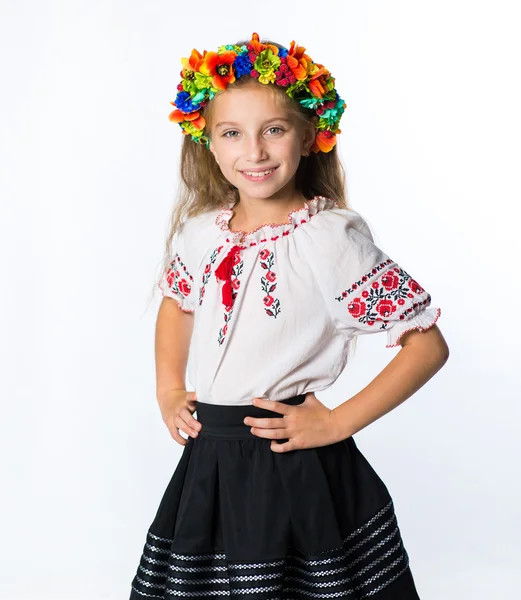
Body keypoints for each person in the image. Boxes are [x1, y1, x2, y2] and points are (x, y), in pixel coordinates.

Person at [129, 32, 449, 599]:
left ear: (309, 137)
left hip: (291, 460)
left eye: (273, 130)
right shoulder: (203, 233)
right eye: (232, 133)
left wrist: (336, 422)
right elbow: (178, 306)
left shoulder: (329, 239)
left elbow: (427, 346)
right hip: (212, 459)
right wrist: (168, 387)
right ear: (206, 141)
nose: (254, 151)